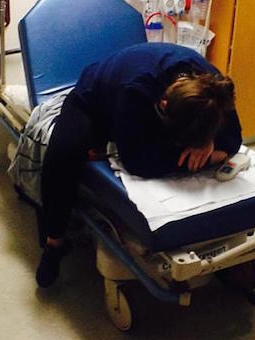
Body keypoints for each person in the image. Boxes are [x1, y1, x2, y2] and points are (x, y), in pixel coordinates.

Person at [36, 42, 242, 287]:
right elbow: (138, 162)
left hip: (158, 106)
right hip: (94, 100)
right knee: (64, 153)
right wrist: (206, 156)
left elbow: (234, 137)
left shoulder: (213, 92)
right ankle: (54, 244)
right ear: (163, 106)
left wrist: (209, 145)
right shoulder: (135, 89)